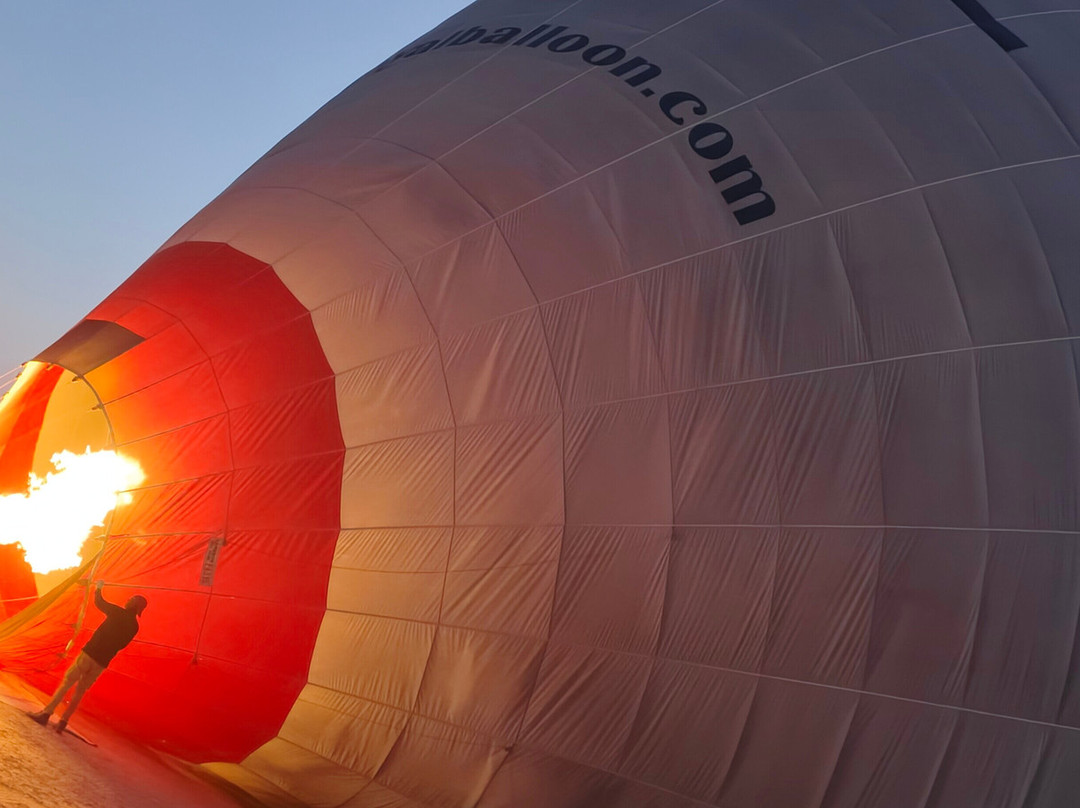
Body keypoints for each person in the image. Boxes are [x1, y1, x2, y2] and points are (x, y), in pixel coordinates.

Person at [29, 580, 147, 733]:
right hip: (102, 663)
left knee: (67, 683)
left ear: (134, 605)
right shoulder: (134, 627)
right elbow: (122, 646)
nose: (127, 600)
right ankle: (63, 722)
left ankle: (46, 713)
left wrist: (98, 587)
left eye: (130, 599)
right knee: (80, 691)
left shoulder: (117, 612)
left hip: (89, 654)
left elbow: (99, 603)